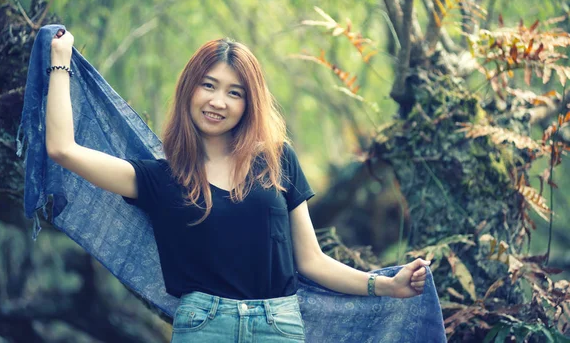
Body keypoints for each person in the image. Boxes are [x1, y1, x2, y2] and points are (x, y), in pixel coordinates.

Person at [45, 28, 430, 342]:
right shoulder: (160, 178)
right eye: (208, 86)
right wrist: (61, 62)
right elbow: (63, 149)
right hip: (204, 327)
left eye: (235, 92)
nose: (218, 101)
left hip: (278, 327)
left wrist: (386, 285)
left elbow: (311, 261)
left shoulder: (277, 161)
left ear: (249, 103)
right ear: (189, 91)